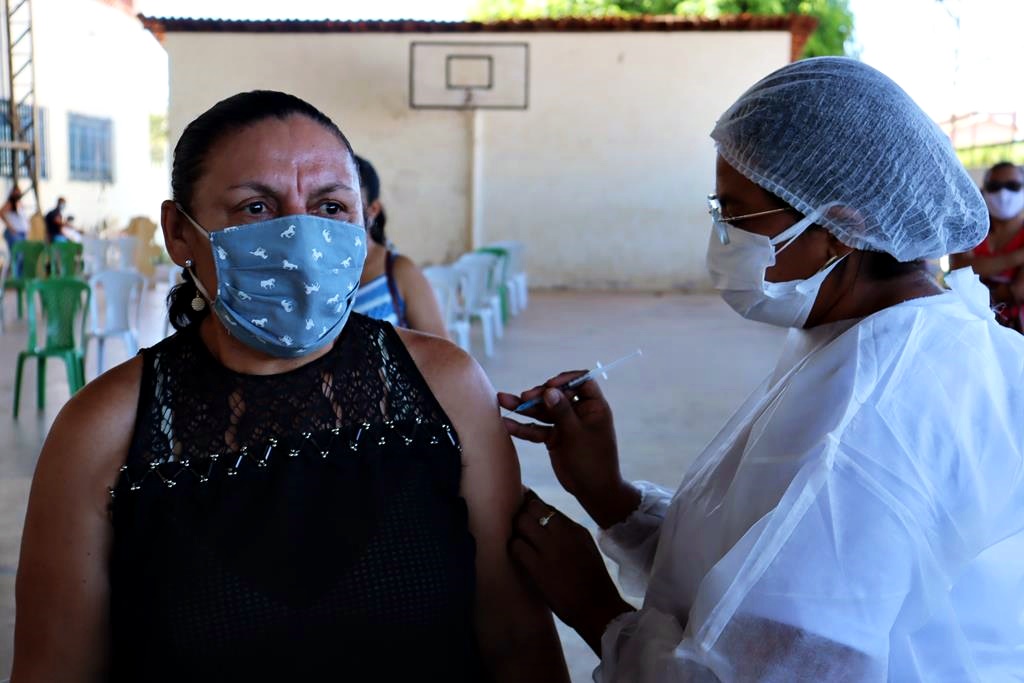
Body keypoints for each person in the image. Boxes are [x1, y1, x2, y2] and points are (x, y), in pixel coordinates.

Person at [13, 90, 568, 682]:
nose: (301, 241)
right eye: (256, 208)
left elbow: (516, 640)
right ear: (179, 232)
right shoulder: (104, 431)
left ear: (365, 220)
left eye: (330, 208)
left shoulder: (446, 391)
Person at [500, 57, 1024, 681]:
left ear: (840, 231)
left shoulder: (873, 415)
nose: (722, 236)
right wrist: (613, 499)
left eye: (737, 214)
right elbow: (764, 564)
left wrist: (596, 610)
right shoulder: (895, 338)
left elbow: (773, 663)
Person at [352, 155, 448, 337]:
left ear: (373, 210)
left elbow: (443, 353)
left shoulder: (399, 272)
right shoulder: (309, 273)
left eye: (335, 207)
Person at [950, 161, 1024, 331]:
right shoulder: (970, 230)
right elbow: (959, 267)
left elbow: (1019, 291)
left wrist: (979, 274)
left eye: (1013, 186)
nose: (1003, 193)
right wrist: (1018, 257)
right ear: (983, 191)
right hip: (970, 331)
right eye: (994, 186)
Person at [2, 185, 28, 254]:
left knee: (22, 255)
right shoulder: (10, 203)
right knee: (17, 255)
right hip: (15, 233)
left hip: (22, 233)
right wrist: (10, 227)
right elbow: (1, 213)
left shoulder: (19, 203)